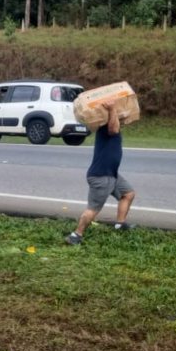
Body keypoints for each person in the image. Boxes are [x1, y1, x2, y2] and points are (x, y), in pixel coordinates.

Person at [66, 101, 135, 245]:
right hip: (101, 176)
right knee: (93, 209)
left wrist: (114, 111)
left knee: (128, 194)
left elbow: (116, 126)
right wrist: (113, 109)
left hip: (112, 174)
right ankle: (76, 235)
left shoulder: (111, 124)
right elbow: (113, 130)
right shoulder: (106, 127)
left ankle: (120, 224)